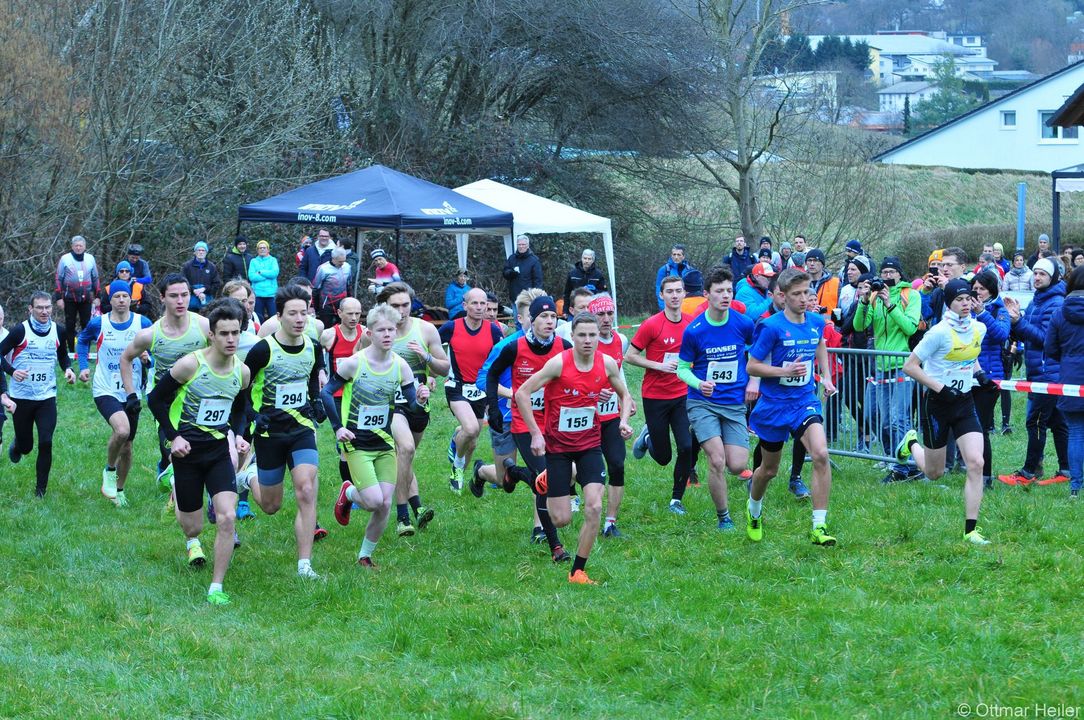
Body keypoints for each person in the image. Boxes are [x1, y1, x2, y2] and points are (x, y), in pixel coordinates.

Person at [514, 313, 633, 584]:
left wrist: (623, 421)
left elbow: (625, 394)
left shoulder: (607, 363)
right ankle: (542, 479)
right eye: (582, 335)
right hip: (558, 448)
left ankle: (577, 571)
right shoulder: (558, 363)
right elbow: (522, 393)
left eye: (592, 335)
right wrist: (535, 434)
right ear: (572, 336)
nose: (588, 340)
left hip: (590, 445)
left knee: (594, 507)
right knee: (561, 519)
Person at [146, 298, 251, 605]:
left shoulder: (242, 372)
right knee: (193, 526)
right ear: (211, 335)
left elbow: (241, 407)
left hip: (218, 451)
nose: (231, 339)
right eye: (224, 333)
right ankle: (178, 491)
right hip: (187, 453)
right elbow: (155, 399)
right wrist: (174, 437)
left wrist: (239, 435)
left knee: (227, 517)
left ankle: (216, 587)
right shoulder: (190, 365)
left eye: (235, 333)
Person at [324, 303, 430, 570]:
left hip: (384, 442)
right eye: (381, 330)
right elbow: (326, 393)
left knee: (384, 504)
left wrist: (419, 399)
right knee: (373, 501)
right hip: (356, 442)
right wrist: (338, 428)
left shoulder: (401, 366)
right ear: (369, 333)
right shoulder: (355, 363)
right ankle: (348, 492)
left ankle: (365, 556)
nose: (387, 334)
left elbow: (412, 405)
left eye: (391, 330)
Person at [234, 284, 325, 579]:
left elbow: (311, 380)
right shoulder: (262, 350)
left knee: (306, 489)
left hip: (301, 428)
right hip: (269, 432)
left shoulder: (314, 346)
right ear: (279, 316)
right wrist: (253, 416)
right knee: (271, 505)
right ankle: (248, 477)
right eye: (293, 313)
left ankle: (304, 565)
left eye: (304, 313)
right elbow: (242, 390)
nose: (299, 319)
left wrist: (316, 403)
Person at [745, 268, 838, 546]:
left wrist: (826, 377)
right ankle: (754, 509)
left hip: (804, 401)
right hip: (774, 405)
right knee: (768, 470)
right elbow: (752, 366)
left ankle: (819, 527)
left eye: (807, 292)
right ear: (783, 296)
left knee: (820, 453)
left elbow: (819, 345)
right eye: (797, 294)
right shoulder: (771, 327)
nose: (803, 298)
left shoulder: (816, 321)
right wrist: (782, 371)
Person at [897, 278, 993, 545]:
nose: (966, 303)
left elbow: (969, 354)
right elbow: (910, 366)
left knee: (976, 463)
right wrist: (940, 388)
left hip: (964, 403)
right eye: (959, 299)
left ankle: (970, 530)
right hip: (938, 405)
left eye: (968, 298)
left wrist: (979, 374)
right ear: (949, 303)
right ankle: (911, 443)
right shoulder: (937, 333)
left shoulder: (979, 328)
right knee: (934, 473)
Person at [484, 294, 571, 559]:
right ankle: (555, 546)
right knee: (545, 479)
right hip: (524, 423)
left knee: (551, 477)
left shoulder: (564, 346)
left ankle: (514, 472)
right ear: (531, 320)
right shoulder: (514, 347)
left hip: (555, 422)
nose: (549, 321)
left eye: (553, 316)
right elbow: (491, 374)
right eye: (543, 316)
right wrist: (493, 408)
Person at [676, 267, 756, 531]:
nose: (725, 296)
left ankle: (705, 435)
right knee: (717, 460)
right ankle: (724, 517)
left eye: (729, 291)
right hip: (703, 402)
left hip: (733, 403)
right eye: (719, 291)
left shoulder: (743, 324)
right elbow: (682, 369)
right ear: (707, 294)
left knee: (737, 465)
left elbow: (757, 353)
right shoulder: (695, 330)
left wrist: (754, 381)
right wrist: (699, 384)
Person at [120, 274, 210, 481]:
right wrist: (131, 394)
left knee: (199, 454)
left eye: (185, 295)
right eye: (173, 296)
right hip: (165, 401)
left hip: (199, 399)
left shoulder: (205, 327)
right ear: (162, 298)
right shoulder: (151, 334)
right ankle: (167, 464)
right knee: (176, 455)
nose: (180, 301)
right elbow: (125, 358)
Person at [378, 283, 450, 536]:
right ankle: (402, 516)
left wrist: (426, 358)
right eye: (395, 306)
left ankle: (417, 507)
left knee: (405, 458)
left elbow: (445, 368)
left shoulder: (425, 329)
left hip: (418, 404)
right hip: (390, 404)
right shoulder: (377, 331)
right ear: (385, 307)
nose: (401, 310)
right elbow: (359, 363)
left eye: (405, 305)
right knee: (406, 449)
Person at [77, 280, 153, 506]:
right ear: (110, 300)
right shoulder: (98, 323)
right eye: (117, 296)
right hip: (105, 388)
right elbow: (82, 341)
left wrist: (148, 359)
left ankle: (119, 491)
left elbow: (155, 351)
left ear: (131, 299)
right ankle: (109, 470)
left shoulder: (142, 323)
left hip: (131, 391)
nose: (121, 300)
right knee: (121, 431)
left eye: (125, 296)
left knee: (127, 447)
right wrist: (83, 366)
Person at [626, 275, 696, 514]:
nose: (675, 295)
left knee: (686, 446)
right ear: (662, 295)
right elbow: (630, 356)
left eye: (678, 291)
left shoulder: (691, 323)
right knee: (664, 457)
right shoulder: (652, 324)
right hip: (655, 396)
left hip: (682, 394)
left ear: (684, 293)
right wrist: (659, 366)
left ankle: (676, 499)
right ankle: (647, 438)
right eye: (670, 291)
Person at [1000, 258, 1069, 486]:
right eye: (1035, 273)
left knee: (1035, 422)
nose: (1037, 277)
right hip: (1039, 371)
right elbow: (1026, 334)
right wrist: (1014, 321)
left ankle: (1028, 473)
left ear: (1053, 278)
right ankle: (1066, 471)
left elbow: (1047, 339)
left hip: (1048, 373)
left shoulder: (1056, 303)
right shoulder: (1037, 300)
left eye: (1042, 274)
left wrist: (1019, 321)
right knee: (1058, 422)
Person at [853, 257, 922, 482]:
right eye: (884, 272)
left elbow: (910, 327)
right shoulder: (874, 296)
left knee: (898, 418)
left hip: (903, 364)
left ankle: (903, 468)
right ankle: (901, 462)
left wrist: (890, 305)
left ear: (900, 274)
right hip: (881, 366)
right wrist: (864, 301)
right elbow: (859, 326)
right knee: (882, 420)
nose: (888, 276)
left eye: (892, 272)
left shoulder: (910, 295)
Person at [0, 291, 76, 497]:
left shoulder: (58, 331)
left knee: (46, 442)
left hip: (46, 397)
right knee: (26, 447)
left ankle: (40, 490)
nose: (44, 311)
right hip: (21, 398)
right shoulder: (20, 331)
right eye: (40, 307)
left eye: (48, 307)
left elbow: (62, 355)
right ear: (30, 309)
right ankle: (18, 445)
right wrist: (12, 371)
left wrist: (68, 369)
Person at [439, 287, 505, 493]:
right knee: (471, 429)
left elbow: (501, 361)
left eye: (482, 303)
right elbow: (433, 347)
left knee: (472, 442)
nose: (479, 307)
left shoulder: (494, 331)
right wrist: (430, 375)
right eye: (474, 303)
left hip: (481, 389)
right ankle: (457, 467)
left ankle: (457, 456)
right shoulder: (451, 327)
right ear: (465, 305)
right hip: (456, 386)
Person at [589, 294, 633, 537]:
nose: (606, 319)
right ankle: (577, 501)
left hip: (611, 417)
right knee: (589, 470)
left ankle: (610, 523)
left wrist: (626, 398)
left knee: (617, 464)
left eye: (610, 313)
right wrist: (594, 394)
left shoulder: (621, 340)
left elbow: (618, 372)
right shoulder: (585, 343)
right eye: (600, 314)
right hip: (586, 417)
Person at [1044, 265, 1084, 498]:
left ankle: (1075, 487)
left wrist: (1068, 359)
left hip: (1070, 378)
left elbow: (1050, 348)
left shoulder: (1059, 313)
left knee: (1076, 432)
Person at [970, 271, 1011, 488]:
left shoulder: (999, 309)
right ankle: (970, 468)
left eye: (982, 289)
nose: (977, 293)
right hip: (966, 375)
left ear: (991, 291)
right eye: (974, 289)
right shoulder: (965, 308)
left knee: (981, 427)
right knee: (968, 426)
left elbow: (1001, 335)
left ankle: (985, 477)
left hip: (990, 377)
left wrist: (982, 313)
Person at [54, 234, 101, 353]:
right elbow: (59, 278)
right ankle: (71, 352)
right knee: (70, 324)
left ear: (85, 246)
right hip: (69, 298)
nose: (78, 248)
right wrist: (58, 298)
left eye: (80, 246)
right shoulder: (65, 259)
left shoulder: (90, 258)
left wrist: (98, 296)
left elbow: (95, 278)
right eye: (76, 246)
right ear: (72, 247)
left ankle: (85, 351)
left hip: (86, 298)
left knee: (87, 324)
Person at [313, 247, 353, 327]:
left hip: (342, 302)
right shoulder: (323, 269)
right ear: (333, 258)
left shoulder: (347, 267)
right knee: (326, 326)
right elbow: (316, 288)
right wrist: (315, 307)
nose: (342, 263)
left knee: (342, 326)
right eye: (340, 261)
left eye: (344, 261)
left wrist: (350, 299)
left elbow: (348, 285)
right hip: (327, 303)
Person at [503, 235, 543, 304]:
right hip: (514, 297)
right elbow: (505, 272)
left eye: (523, 244)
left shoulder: (534, 260)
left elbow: (538, 281)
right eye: (519, 244)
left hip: (528, 299)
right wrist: (510, 273)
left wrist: (536, 297)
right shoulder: (512, 258)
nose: (521, 246)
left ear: (527, 246)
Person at [182, 241, 221, 310]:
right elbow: (182, 282)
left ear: (206, 252)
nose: (201, 252)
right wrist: (194, 290)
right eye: (198, 250)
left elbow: (217, 283)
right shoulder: (187, 266)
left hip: (207, 302)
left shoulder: (212, 267)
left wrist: (204, 289)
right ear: (195, 252)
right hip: (190, 302)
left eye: (203, 250)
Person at [653, 244, 694, 310]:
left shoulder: (690, 270)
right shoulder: (664, 270)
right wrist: (664, 308)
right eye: (674, 254)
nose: (676, 257)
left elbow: (694, 291)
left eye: (679, 255)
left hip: (687, 307)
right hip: (669, 307)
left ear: (683, 256)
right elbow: (659, 290)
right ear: (671, 255)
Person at [248, 240, 280, 320]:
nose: (262, 249)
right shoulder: (253, 261)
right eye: (260, 248)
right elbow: (252, 277)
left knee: (274, 318)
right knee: (258, 318)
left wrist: (260, 272)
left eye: (264, 248)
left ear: (268, 249)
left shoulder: (273, 260)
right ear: (257, 250)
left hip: (271, 294)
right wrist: (267, 275)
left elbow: (274, 273)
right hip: (257, 294)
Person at [806, 249, 839, 320]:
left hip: (828, 324)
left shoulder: (836, 283)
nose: (812, 263)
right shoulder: (799, 283)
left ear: (822, 264)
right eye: (809, 260)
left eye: (815, 260)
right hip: (805, 324)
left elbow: (840, 309)